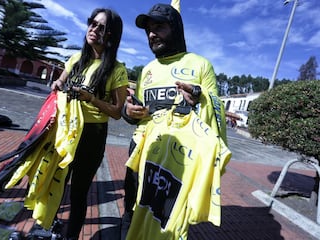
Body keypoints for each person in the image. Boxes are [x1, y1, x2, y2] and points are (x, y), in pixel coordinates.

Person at [120, 3, 228, 239]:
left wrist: (198, 96)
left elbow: (217, 109)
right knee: (131, 209)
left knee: (168, 219)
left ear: (176, 28)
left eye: (159, 27)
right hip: (140, 152)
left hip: (177, 159)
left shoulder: (200, 65)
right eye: (148, 29)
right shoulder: (147, 69)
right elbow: (136, 113)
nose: (151, 34)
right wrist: (128, 111)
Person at [50, 8, 128, 240]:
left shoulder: (117, 69)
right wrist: (56, 84)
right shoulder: (76, 59)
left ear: (111, 35)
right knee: (55, 184)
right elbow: (60, 83)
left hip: (91, 136)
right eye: (92, 23)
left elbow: (116, 112)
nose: (93, 29)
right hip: (65, 130)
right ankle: (49, 225)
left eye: (101, 27)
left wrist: (91, 98)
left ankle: (71, 235)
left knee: (78, 193)